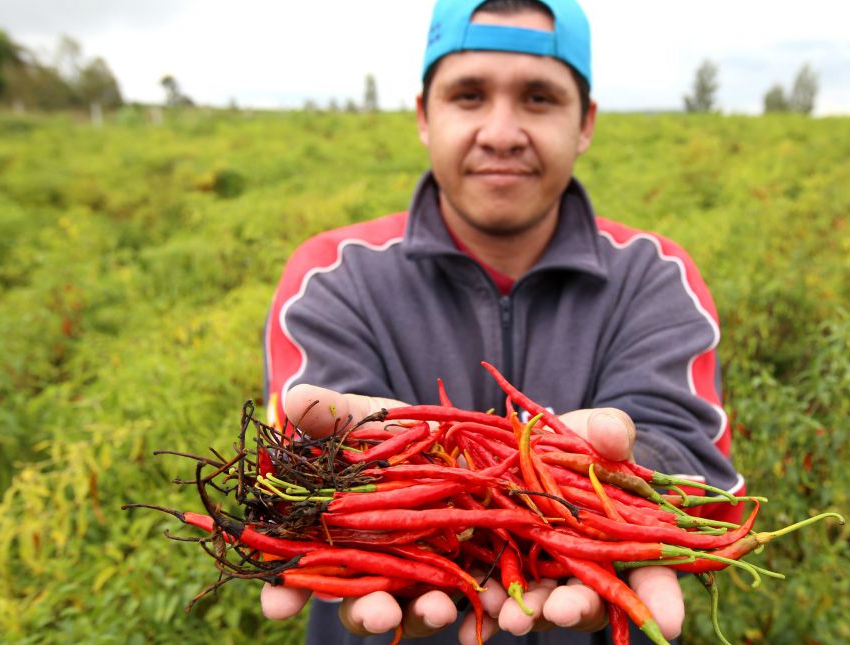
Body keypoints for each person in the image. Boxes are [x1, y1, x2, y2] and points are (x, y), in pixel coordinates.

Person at [260, 0, 743, 642]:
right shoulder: (331, 276)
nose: (502, 132)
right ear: (424, 116)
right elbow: (306, 472)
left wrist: (610, 468)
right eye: (468, 95)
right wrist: (367, 470)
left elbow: (694, 466)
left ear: (586, 122)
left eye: (539, 98)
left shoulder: (654, 276)